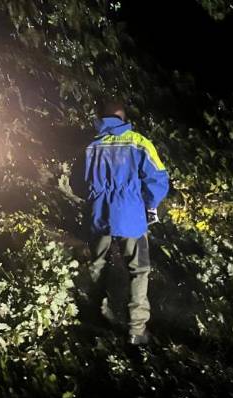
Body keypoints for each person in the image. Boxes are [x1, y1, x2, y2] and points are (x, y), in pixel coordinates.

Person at [83, 98, 170, 345]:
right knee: (139, 270)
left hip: (99, 214)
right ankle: (136, 330)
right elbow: (158, 179)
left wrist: (97, 197)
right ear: (124, 118)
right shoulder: (139, 143)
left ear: (102, 118)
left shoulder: (92, 146)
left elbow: (78, 183)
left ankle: (97, 313)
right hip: (131, 216)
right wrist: (150, 204)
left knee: (97, 264)